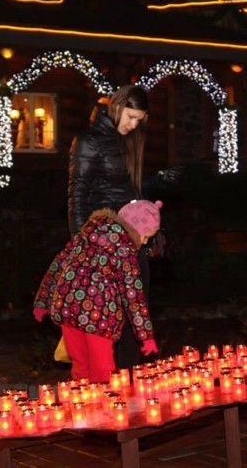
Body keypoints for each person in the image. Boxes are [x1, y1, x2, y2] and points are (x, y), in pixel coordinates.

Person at [66, 84, 151, 370]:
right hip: (101, 243)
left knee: (135, 310)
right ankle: (104, 383)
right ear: (117, 106)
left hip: (132, 239)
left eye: (139, 120)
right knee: (104, 316)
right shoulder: (89, 140)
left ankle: (128, 379)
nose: (133, 124)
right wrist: (81, 246)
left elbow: (126, 189)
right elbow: (77, 193)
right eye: (130, 116)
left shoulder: (127, 140)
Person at [32, 199, 162, 383]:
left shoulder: (86, 233)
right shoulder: (125, 249)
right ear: (136, 229)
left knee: (80, 365)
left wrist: (42, 301)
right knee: (102, 370)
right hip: (98, 314)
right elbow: (133, 296)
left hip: (67, 307)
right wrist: (146, 336)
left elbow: (59, 263)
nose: (145, 241)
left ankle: (83, 404)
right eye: (146, 236)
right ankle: (104, 406)